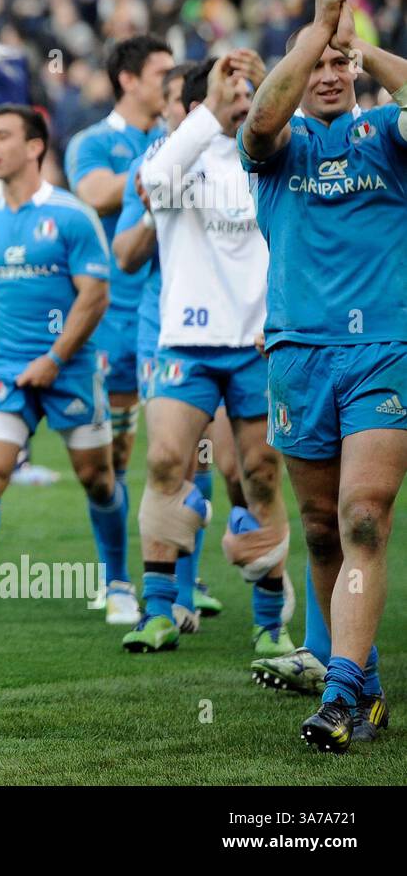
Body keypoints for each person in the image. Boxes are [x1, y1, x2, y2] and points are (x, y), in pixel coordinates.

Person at [238, 0, 401, 752]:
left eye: (342, 64)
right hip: (298, 355)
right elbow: (261, 117)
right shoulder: (277, 147)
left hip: (385, 352)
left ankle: (337, 695)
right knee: (321, 531)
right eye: (319, 64)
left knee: (364, 515)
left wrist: (363, 47)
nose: (330, 73)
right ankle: (365, 684)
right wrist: (312, 33)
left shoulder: (387, 136)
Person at [121, 51, 294, 659]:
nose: (247, 104)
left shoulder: (272, 156)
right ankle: (160, 610)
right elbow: (155, 182)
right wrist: (209, 114)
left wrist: (266, 87)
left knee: (260, 477)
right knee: (167, 462)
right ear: (202, 104)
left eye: (252, 95)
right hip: (185, 345)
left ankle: (271, 626)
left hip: (255, 344)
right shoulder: (172, 156)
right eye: (236, 95)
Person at [0, 105, 119, 636]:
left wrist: (55, 358)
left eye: (3, 136)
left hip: (68, 369)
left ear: (36, 147)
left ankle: (117, 584)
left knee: (96, 478)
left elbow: (95, 296)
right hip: (3, 369)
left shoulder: (71, 215)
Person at [63, 34, 174, 624]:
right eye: (162, 72)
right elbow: (97, 196)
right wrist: (158, 162)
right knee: (118, 454)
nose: (172, 80)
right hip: (111, 313)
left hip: (171, 308)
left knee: (183, 448)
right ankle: (118, 582)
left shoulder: (179, 138)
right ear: (129, 80)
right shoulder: (94, 142)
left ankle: (182, 582)